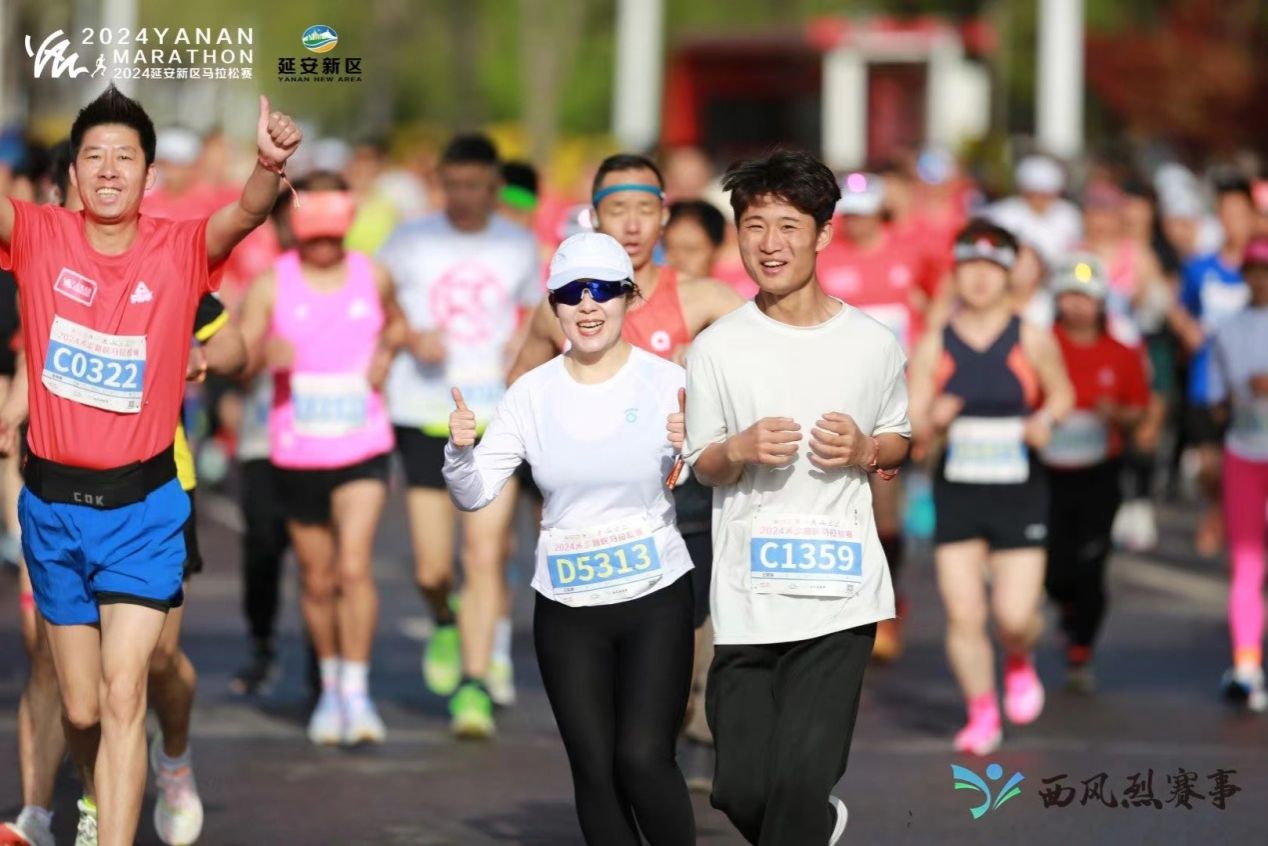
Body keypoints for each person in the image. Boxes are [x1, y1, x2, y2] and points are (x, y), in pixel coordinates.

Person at [0, 85, 300, 846]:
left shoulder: (178, 248)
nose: (108, 170)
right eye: (94, 157)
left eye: (124, 158)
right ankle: (96, 798)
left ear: (149, 174)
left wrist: (267, 166)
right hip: (53, 510)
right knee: (81, 708)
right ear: (72, 173)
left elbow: (245, 215)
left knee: (124, 692)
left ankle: (115, 826)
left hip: (143, 512)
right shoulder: (37, 234)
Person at [683, 150, 911, 845]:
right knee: (740, 788)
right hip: (748, 598)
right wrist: (738, 450)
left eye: (788, 226)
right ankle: (816, 826)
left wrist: (867, 450)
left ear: (824, 233)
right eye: (755, 227)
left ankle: (809, 816)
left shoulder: (872, 343)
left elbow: (898, 438)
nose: (770, 244)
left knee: (798, 784)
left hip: (840, 597)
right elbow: (703, 464)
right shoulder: (718, 347)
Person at [444, 232, 696, 845]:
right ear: (553, 305)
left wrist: (687, 451)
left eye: (603, 290)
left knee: (642, 758)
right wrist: (459, 451)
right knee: (595, 772)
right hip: (568, 603)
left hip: (654, 593)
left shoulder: (667, 381)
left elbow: (694, 471)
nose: (588, 305)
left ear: (629, 298)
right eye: (571, 293)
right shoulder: (531, 393)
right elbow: (474, 492)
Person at [508, 153, 745, 788]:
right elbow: (518, 392)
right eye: (618, 209)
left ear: (665, 216)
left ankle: (673, 748)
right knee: (612, 674)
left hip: (682, 510)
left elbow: (766, 364)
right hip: (593, 522)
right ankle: (635, 771)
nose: (633, 224)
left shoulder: (702, 298)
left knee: (677, 657)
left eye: (645, 209)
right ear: (594, 217)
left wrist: (710, 367)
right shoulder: (558, 309)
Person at [378, 133, 540, 736]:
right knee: (431, 569)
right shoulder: (410, 238)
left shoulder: (517, 244)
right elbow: (375, 294)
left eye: (476, 185)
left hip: (495, 414)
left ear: (495, 187)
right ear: (439, 183)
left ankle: (473, 685)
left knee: (484, 554)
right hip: (425, 409)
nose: (464, 196)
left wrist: (522, 342)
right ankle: (444, 621)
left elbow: (537, 311)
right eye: (453, 185)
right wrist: (405, 330)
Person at [239, 172, 405, 745]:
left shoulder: (372, 274)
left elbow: (399, 323)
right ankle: (331, 689)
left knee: (353, 568)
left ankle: (358, 693)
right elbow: (239, 356)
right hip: (298, 448)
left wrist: (387, 352)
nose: (325, 249)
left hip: (363, 443)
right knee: (317, 577)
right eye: (314, 239)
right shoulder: (271, 283)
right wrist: (265, 354)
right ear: (295, 232)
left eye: (334, 238)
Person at [907, 219, 1073, 757]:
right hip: (958, 490)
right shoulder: (936, 342)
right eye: (969, 267)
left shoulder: (1031, 336)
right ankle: (982, 710)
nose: (979, 279)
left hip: (1018, 491)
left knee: (1014, 616)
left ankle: (1019, 657)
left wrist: (1044, 420)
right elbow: (913, 421)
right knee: (964, 614)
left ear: (1008, 276)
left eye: (991, 268)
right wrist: (934, 416)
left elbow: (1063, 394)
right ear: (956, 274)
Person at [819, 170, 933, 662]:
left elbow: (934, 319)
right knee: (839, 510)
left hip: (894, 405)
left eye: (867, 215)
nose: (859, 224)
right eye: (851, 216)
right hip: (839, 402)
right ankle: (846, 608)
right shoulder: (827, 259)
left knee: (886, 512)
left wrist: (924, 395)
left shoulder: (911, 256)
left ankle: (887, 601)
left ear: (882, 213)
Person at [1041, 254, 1149, 693]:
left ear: (1101, 302)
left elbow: (1139, 411)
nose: (1077, 305)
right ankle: (1065, 606)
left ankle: (1081, 646)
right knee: (1051, 566)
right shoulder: (1039, 345)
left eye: (1085, 297)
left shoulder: (1121, 353)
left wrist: (1116, 414)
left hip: (1099, 473)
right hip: (1047, 472)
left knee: (1091, 563)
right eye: (1069, 296)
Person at [1169, 174, 1255, 557]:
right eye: (1225, 212)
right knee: (1209, 463)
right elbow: (1178, 306)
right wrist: (1187, 328)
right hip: (1207, 379)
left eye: (1239, 212)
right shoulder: (1199, 267)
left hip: (1253, 387)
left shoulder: (1260, 267)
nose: (1232, 221)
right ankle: (1217, 508)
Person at [1210, 236, 1268, 711]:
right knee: (1247, 562)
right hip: (1245, 452)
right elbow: (1219, 398)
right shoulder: (1228, 328)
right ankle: (1246, 664)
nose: (1261, 280)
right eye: (1255, 270)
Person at [987, 153, 1082, 269]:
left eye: (1046, 194)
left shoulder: (1068, 214)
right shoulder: (1003, 214)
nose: (1039, 199)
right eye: (1034, 193)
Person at [664, 199, 726, 281]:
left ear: (717, 249)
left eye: (690, 250)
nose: (678, 260)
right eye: (670, 248)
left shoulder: (732, 288)